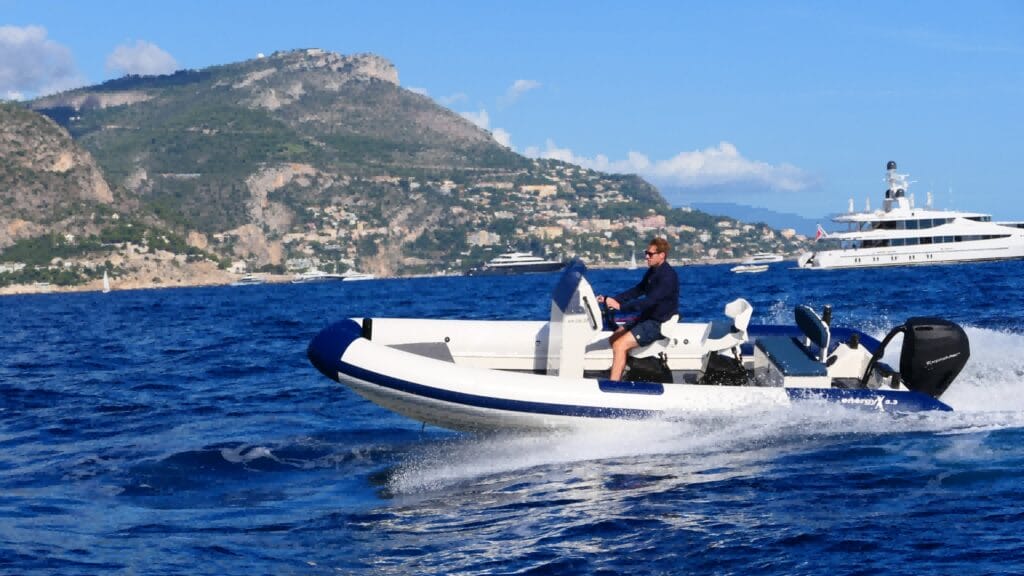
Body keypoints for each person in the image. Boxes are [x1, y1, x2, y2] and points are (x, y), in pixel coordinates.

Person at [596, 237, 680, 381]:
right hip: (647, 318)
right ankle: (625, 369)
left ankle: (614, 385)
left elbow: (649, 302)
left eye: (650, 254)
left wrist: (620, 307)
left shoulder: (667, 277)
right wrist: (614, 299)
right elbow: (638, 290)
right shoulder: (653, 271)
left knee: (619, 345)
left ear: (662, 255)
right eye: (646, 253)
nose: (646, 256)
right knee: (614, 338)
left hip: (657, 323)